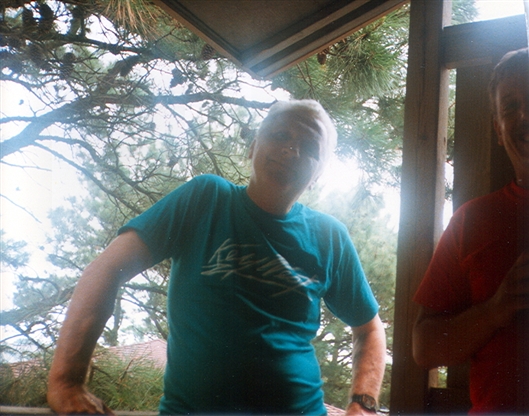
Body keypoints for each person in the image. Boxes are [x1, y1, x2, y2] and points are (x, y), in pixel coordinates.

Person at [47, 99, 386, 415]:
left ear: (317, 176)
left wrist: (363, 406)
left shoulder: (329, 236)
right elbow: (106, 269)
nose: (291, 150)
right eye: (281, 135)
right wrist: (66, 382)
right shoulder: (206, 199)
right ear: (253, 146)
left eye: (310, 148)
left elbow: (369, 329)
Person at [413, 48, 529, 414]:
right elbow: (423, 347)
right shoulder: (471, 220)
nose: (525, 115)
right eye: (511, 106)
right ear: (498, 130)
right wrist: (496, 309)